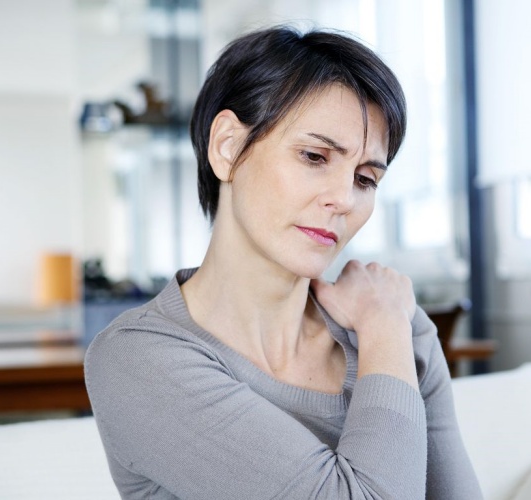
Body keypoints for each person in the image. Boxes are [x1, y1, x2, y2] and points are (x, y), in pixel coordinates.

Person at [85, 26, 483, 499]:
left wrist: (389, 329)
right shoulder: (137, 360)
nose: (342, 198)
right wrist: (383, 331)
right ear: (227, 147)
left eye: (365, 178)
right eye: (314, 156)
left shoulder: (400, 329)